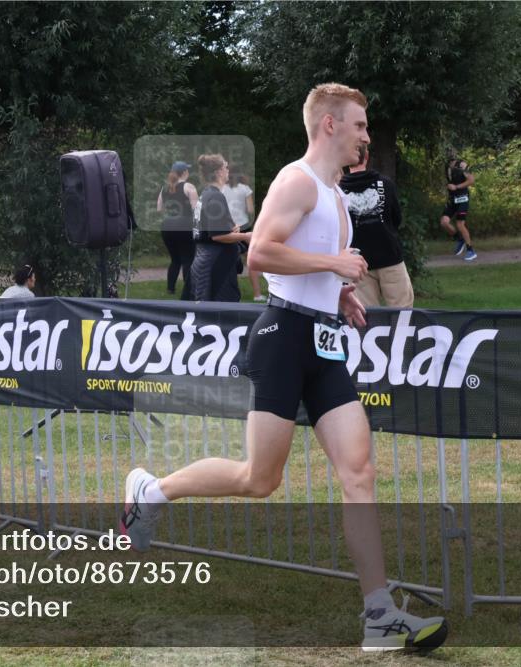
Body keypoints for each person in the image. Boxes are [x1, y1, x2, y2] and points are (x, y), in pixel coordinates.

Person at [121, 83, 448, 653]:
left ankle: (378, 615)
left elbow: (312, 267)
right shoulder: (296, 180)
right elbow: (260, 253)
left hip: (324, 344)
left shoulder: (336, 195)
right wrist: (333, 264)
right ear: (329, 125)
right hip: (282, 338)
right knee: (260, 479)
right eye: (359, 125)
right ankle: (153, 490)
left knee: (359, 473)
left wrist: (339, 292)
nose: (366, 135)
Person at [339, 146, 414, 307]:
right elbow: (396, 218)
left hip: (358, 261)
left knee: (366, 314)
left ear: (346, 158)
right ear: (367, 156)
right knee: (402, 311)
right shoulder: (385, 183)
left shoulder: (338, 190)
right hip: (390, 256)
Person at [190, 154, 252, 302]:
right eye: (225, 167)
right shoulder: (215, 196)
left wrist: (232, 229)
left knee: (208, 309)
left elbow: (211, 229)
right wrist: (246, 236)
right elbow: (218, 235)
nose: (228, 170)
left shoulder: (207, 194)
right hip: (216, 265)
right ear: (218, 172)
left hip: (207, 261)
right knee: (221, 311)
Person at [221, 164, 264, 302]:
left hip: (227, 226)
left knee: (229, 259)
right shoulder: (245, 189)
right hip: (244, 226)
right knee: (251, 259)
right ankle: (257, 295)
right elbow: (250, 210)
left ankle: (230, 292)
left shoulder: (221, 188)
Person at [157, 161, 198, 300]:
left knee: (175, 259)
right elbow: (195, 209)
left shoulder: (165, 188)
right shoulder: (189, 186)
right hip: (185, 225)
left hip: (167, 226)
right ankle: (189, 290)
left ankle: (170, 289)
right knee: (188, 259)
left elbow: (159, 209)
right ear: (185, 172)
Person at [438, 152, 477, 261]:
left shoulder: (462, 165)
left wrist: (457, 187)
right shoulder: (447, 166)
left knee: (460, 224)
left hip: (462, 198)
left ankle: (470, 250)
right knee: (444, 222)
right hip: (452, 199)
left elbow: (471, 180)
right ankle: (460, 239)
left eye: (451, 151)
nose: (449, 154)